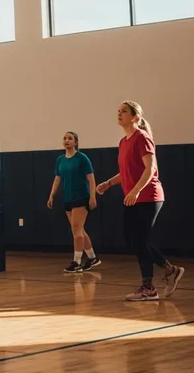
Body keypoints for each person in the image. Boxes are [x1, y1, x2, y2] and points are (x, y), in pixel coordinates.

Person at [96, 100, 184, 301]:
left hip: (148, 195)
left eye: (124, 111)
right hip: (132, 196)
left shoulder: (142, 137)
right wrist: (108, 183)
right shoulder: (123, 142)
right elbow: (126, 172)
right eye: (118, 111)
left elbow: (150, 168)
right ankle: (170, 270)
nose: (119, 114)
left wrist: (136, 191)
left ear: (135, 116)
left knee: (140, 240)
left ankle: (148, 288)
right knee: (131, 241)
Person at [47, 131, 101, 273]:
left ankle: (76, 261)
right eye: (64, 138)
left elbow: (91, 178)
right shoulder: (60, 160)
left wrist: (92, 196)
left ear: (75, 142)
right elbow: (57, 179)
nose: (66, 140)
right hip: (68, 199)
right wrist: (52, 195)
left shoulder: (82, 158)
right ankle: (92, 258)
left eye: (70, 138)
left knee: (76, 230)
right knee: (80, 230)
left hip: (81, 198)